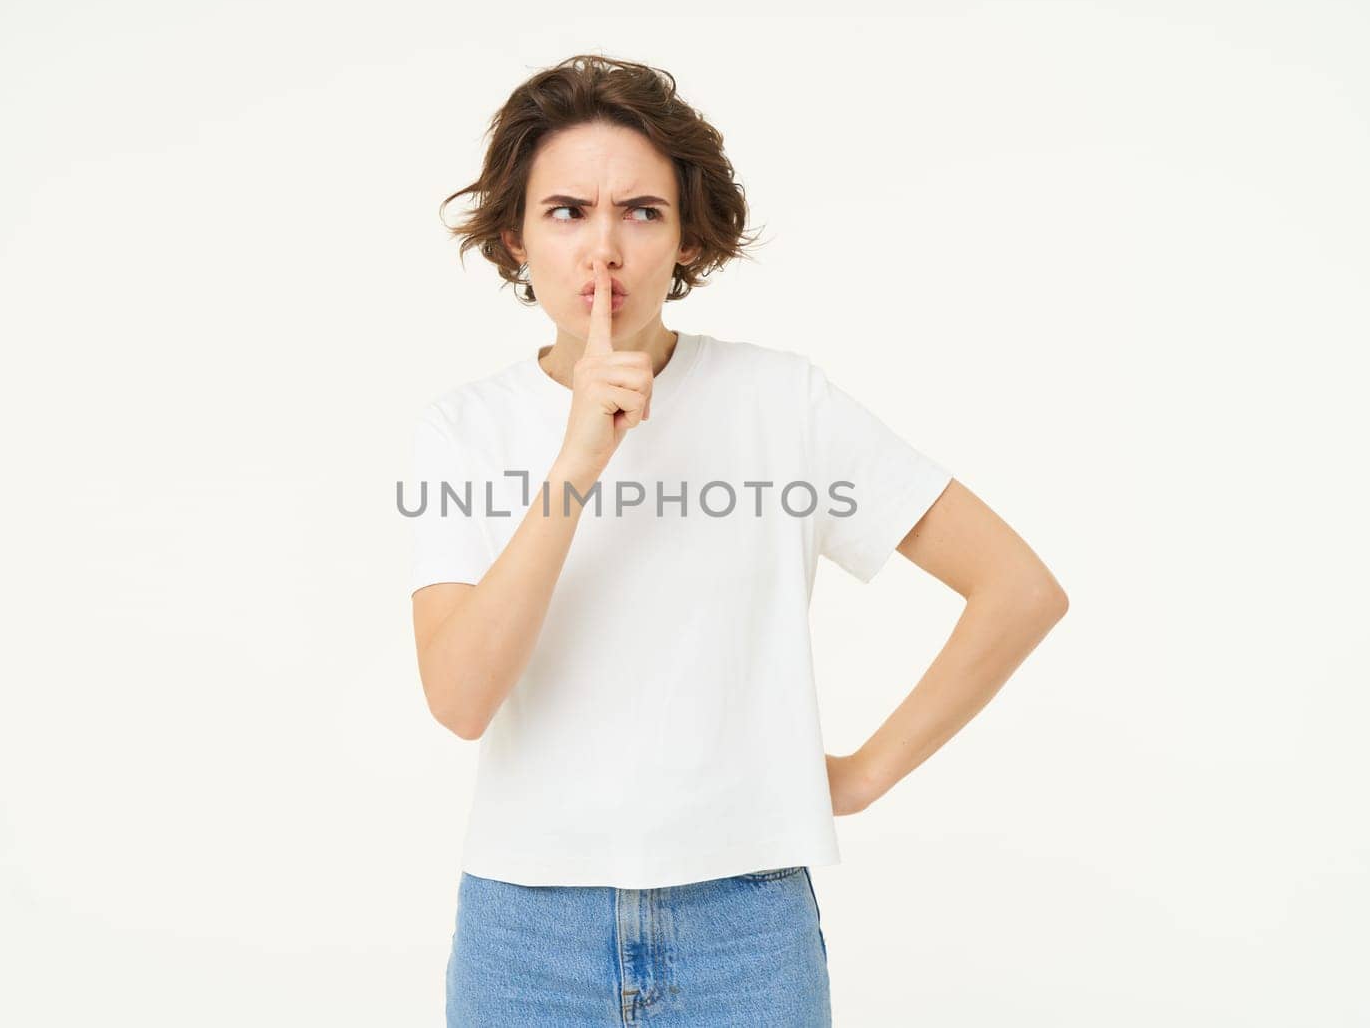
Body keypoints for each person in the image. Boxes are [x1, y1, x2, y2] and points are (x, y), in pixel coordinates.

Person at [407, 53, 1069, 1026]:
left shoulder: (779, 402)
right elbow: (460, 697)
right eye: (566, 212)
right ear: (513, 238)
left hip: (742, 931)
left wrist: (862, 770)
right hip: (526, 934)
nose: (604, 249)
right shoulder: (463, 428)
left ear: (684, 240)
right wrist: (577, 458)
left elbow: (1017, 588)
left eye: (641, 211)